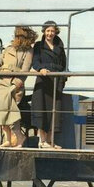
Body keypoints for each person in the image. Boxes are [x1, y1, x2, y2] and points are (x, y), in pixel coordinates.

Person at [0, 26, 37, 147]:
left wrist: (15, 84)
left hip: (14, 86)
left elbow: (25, 70)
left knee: (12, 112)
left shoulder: (28, 51)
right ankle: (8, 139)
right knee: (2, 112)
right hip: (2, 83)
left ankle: (20, 138)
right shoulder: (8, 49)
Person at [31, 20, 67, 149]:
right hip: (44, 80)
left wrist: (64, 76)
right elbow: (35, 62)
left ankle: (51, 141)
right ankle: (42, 141)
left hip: (56, 81)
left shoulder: (60, 46)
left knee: (54, 111)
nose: (50, 33)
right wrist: (41, 69)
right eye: (48, 31)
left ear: (56, 32)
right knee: (43, 109)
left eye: (52, 31)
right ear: (44, 31)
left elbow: (64, 64)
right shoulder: (38, 46)